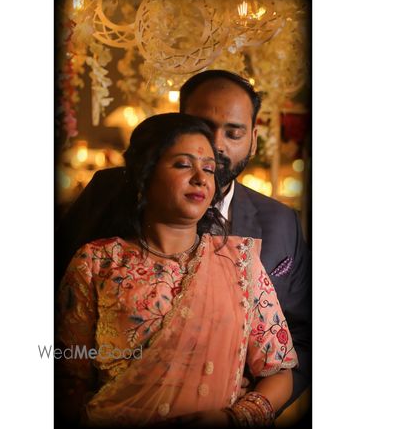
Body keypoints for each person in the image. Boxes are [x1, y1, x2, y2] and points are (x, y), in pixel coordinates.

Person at [55, 70, 311, 411]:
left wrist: (244, 409)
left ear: (253, 138)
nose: (217, 145)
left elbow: (298, 343)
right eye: (202, 128)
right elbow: (67, 358)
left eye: (233, 132)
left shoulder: (267, 236)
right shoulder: (100, 239)